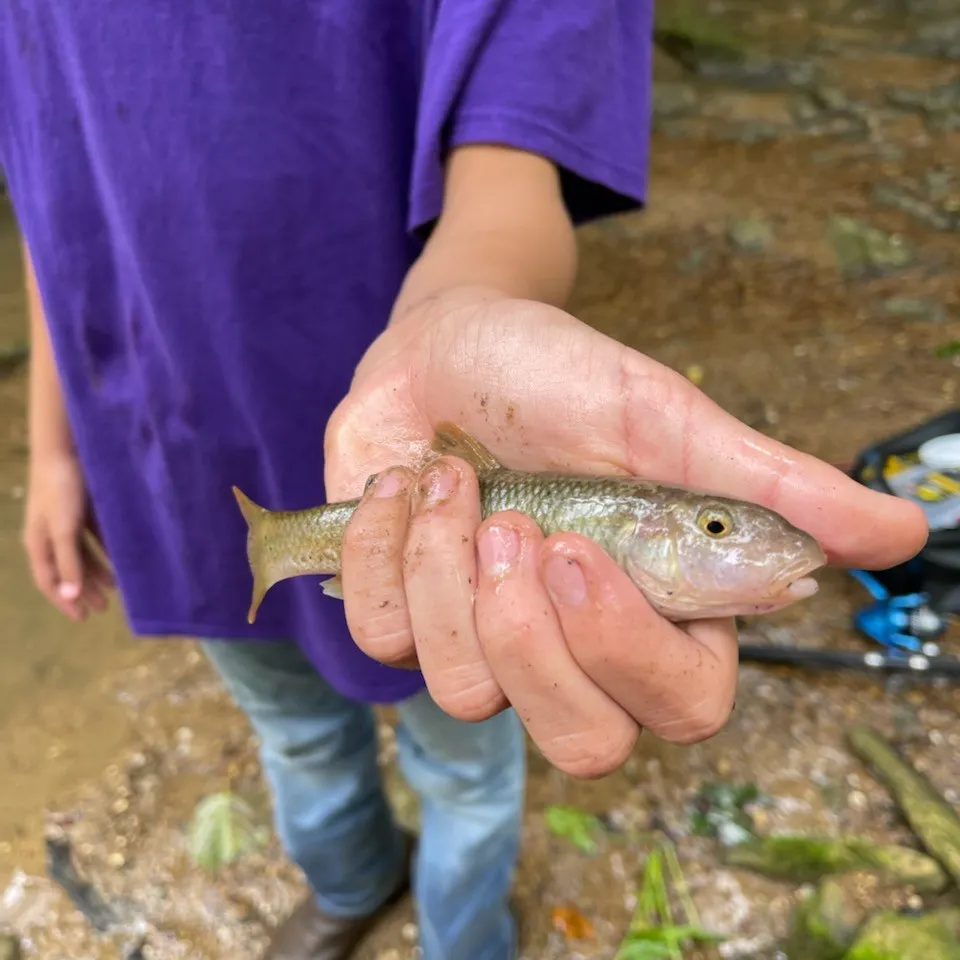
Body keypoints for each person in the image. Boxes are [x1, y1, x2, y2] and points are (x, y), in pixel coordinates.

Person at [2, 2, 925, 959]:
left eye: (714, 532)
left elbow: (511, 168)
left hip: (389, 447)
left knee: (460, 749)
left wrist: (458, 307)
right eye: (719, 532)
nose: (727, 539)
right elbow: (47, 204)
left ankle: (463, 940)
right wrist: (56, 452)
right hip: (162, 460)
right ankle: (351, 884)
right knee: (300, 734)